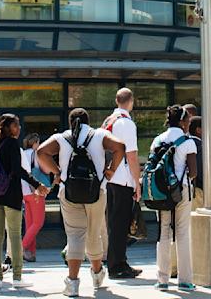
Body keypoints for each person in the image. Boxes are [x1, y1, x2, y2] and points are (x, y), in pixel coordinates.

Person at [37, 108, 126, 297]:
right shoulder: (100, 135)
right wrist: (110, 171)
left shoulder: (62, 138)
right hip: (96, 191)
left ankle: (73, 283)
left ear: (70, 122)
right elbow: (120, 147)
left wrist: (58, 172)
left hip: (68, 192)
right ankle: (96, 273)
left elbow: (41, 152)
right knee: (94, 234)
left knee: (75, 236)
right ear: (88, 121)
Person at [0, 114, 48, 291]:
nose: (19, 128)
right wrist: (37, 185)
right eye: (16, 125)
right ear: (8, 127)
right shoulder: (12, 143)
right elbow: (17, 169)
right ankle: (17, 276)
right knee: (14, 234)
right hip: (11, 193)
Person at [151, 105, 198, 291]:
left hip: (162, 192)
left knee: (163, 233)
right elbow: (193, 172)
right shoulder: (187, 141)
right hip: (182, 190)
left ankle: (162, 280)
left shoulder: (157, 140)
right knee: (183, 233)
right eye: (187, 120)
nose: (188, 123)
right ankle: (185, 280)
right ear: (181, 121)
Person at [102, 88, 141, 280]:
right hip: (123, 178)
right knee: (120, 224)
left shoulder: (108, 121)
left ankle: (118, 262)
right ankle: (117, 265)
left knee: (114, 223)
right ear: (130, 101)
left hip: (109, 179)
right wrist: (137, 182)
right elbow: (131, 156)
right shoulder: (126, 123)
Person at [20, 133, 46, 263]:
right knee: (38, 223)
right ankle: (20, 249)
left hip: (24, 191)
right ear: (35, 143)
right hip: (35, 190)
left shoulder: (22, 153)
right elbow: (42, 169)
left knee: (30, 224)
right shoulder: (35, 154)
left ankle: (30, 253)